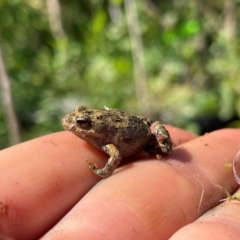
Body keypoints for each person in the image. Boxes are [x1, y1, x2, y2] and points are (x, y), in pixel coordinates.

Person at [0, 126, 240, 239]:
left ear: (94, 128)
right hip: (135, 126)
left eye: (82, 123)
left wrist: (105, 172)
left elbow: (115, 155)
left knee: (162, 148)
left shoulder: (106, 141)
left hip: (143, 137)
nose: (71, 124)